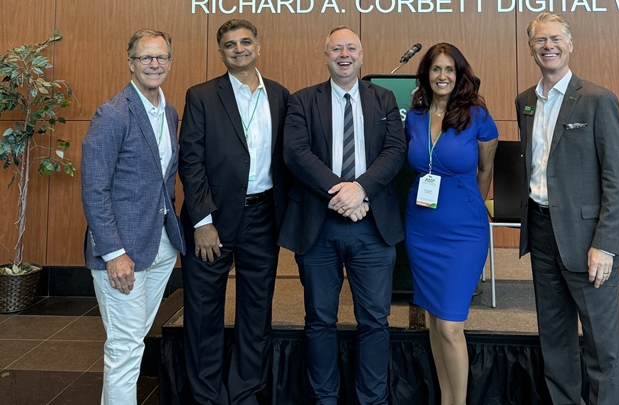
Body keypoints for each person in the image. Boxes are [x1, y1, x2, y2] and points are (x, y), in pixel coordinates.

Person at [278, 26, 406, 405]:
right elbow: (296, 154)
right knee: (319, 320)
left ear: (362, 55)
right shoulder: (302, 100)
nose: (344, 54)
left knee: (375, 321)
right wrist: (342, 193)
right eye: (337, 48)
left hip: (372, 225)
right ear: (326, 55)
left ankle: (372, 399)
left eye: (351, 48)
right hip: (318, 226)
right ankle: (325, 399)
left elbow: (395, 151)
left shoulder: (383, 99)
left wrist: (361, 188)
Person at [516, 12, 619, 405]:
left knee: (604, 347)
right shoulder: (525, 101)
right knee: (555, 341)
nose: (547, 46)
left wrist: (607, 243)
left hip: (588, 241)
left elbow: (618, 179)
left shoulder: (598, 99)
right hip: (541, 229)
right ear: (531, 48)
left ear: (570, 44)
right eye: (539, 40)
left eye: (555, 39)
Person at [178, 19, 290, 405]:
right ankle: (207, 395)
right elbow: (190, 163)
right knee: (204, 313)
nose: (239, 49)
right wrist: (202, 222)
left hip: (263, 217)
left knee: (257, 312)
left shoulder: (279, 95)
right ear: (220, 51)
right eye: (230, 44)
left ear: (258, 45)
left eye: (245, 42)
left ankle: (246, 392)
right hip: (213, 220)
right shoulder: (202, 95)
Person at [81, 29, 185, 405]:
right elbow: (95, 189)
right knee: (125, 347)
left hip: (159, 248)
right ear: (131, 63)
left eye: (161, 57)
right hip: (121, 254)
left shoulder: (169, 111)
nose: (154, 64)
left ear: (170, 62)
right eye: (146, 58)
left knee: (133, 340)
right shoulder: (112, 113)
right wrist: (113, 254)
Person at [404, 43, 498, 405]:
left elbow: (486, 169)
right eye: (436, 69)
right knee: (432, 319)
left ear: (459, 75)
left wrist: (471, 202)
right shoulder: (415, 114)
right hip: (421, 226)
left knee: (450, 324)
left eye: (449, 70)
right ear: (426, 74)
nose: (442, 76)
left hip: (464, 231)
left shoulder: (477, 115)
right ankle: (446, 397)